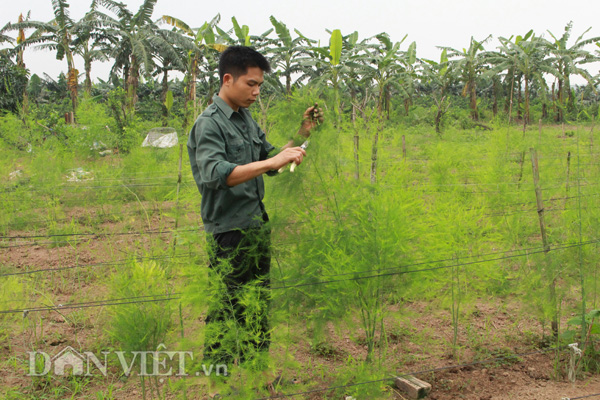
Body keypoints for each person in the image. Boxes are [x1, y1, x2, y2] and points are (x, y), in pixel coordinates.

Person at [187, 45, 323, 368]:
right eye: (251, 84)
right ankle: (217, 383)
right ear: (228, 79)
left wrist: (302, 134)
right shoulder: (210, 125)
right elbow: (218, 173)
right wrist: (272, 161)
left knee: (258, 305)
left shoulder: (246, 120)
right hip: (228, 231)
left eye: (260, 85)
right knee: (225, 307)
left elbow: (271, 159)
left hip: (256, 225)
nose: (257, 92)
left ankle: (254, 375)